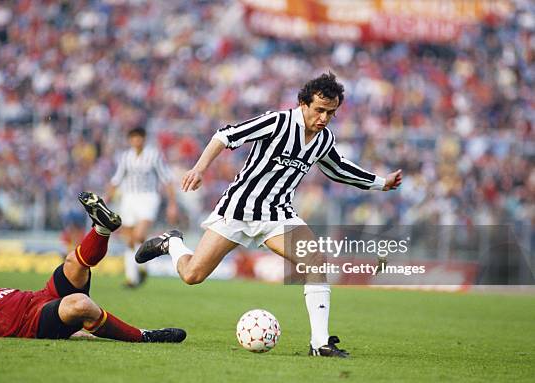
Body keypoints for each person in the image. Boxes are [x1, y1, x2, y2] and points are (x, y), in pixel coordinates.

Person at [136, 72, 402, 357]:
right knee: (191, 275)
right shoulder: (277, 122)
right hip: (237, 210)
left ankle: (320, 343)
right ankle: (171, 243)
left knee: (315, 259)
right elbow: (224, 136)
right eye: (320, 110)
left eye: (331, 113)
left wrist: (380, 182)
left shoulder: (324, 139)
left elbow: (340, 169)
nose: (324, 118)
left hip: (277, 216)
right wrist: (199, 168)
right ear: (303, 103)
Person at [0, 192, 186, 343]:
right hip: (37, 323)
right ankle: (145, 336)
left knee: (73, 262)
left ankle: (103, 227)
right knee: (80, 303)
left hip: (44, 298)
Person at [107, 127, 178, 288]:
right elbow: (116, 179)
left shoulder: (154, 156)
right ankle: (132, 277)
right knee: (129, 240)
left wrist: (172, 204)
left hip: (148, 197)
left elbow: (167, 179)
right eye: (133, 138)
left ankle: (142, 267)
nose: (136, 141)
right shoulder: (125, 157)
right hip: (129, 198)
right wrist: (107, 198)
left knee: (139, 235)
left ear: (144, 139)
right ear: (130, 140)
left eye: (139, 137)